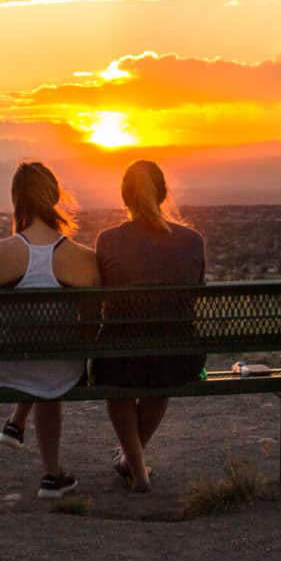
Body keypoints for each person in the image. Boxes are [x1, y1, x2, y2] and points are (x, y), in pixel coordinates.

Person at [0, 160, 98, 498]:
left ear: (16, 200)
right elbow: (91, 328)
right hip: (61, 368)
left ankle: (21, 429)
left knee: (38, 363)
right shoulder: (84, 259)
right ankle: (51, 476)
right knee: (49, 373)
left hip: (4, 368)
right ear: (55, 197)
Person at [91, 160, 205, 492]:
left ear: (124, 198)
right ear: (164, 193)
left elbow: (101, 297)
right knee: (161, 370)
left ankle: (136, 468)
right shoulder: (193, 240)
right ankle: (134, 463)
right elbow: (195, 293)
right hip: (181, 359)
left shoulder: (107, 240)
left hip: (119, 358)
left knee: (118, 379)